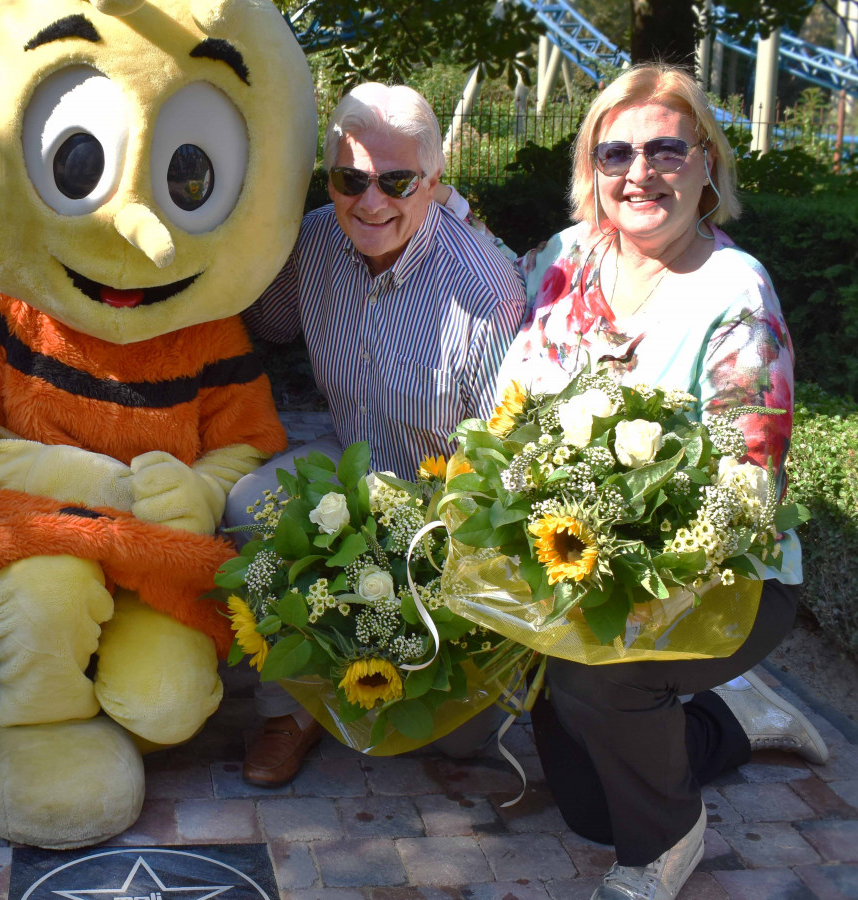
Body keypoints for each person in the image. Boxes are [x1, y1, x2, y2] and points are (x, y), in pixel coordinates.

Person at [496, 64, 827, 900]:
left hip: (718, 573)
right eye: (615, 154)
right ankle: (734, 720)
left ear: (708, 163)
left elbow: (749, 480)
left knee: (595, 682)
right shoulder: (562, 260)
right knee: (583, 807)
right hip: (576, 557)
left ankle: (666, 843)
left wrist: (630, 574)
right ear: (592, 172)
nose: (639, 173)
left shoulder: (733, 291)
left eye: (667, 151)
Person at [229, 82, 526, 787]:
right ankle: (290, 709)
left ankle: (392, 670)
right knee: (249, 501)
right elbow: (261, 327)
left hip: (444, 506)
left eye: (396, 181)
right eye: (349, 178)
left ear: (434, 183)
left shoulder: (484, 291)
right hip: (351, 463)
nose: (370, 201)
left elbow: (500, 465)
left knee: (461, 742)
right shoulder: (314, 242)